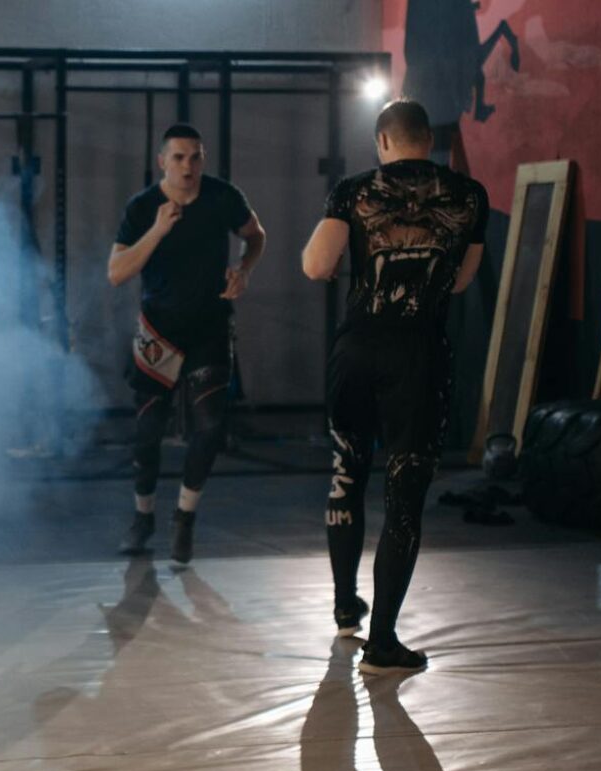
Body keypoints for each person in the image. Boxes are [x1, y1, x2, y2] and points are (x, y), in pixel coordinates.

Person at [299, 98, 489, 675]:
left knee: (347, 470)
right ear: (426, 140)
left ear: (382, 142)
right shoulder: (468, 195)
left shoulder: (354, 190)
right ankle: (383, 641)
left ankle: (343, 607)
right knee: (404, 498)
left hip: (357, 349)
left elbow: (313, 265)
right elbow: (460, 282)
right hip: (419, 355)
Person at [107, 124, 268, 564]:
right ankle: (143, 517)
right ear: (162, 162)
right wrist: (157, 232)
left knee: (210, 427)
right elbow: (117, 272)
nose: (188, 166)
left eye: (195, 157)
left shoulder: (222, 196)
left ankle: (184, 516)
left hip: (209, 328)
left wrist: (245, 268)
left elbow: (256, 235)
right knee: (147, 433)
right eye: (178, 158)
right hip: (159, 331)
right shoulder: (142, 208)